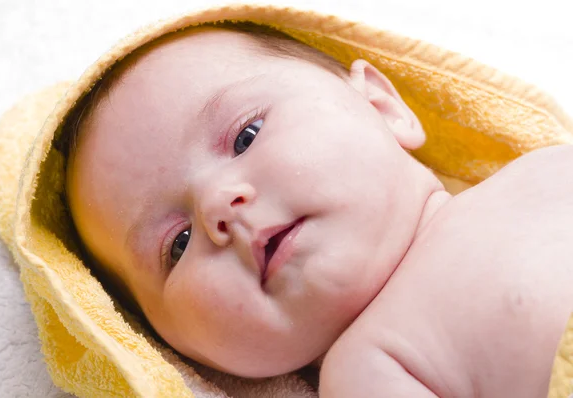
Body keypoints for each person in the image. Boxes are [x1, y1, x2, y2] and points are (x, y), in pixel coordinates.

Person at [61, 22, 573, 397]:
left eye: (247, 136)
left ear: (381, 107)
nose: (218, 206)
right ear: (174, 348)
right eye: (177, 243)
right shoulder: (368, 369)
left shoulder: (544, 167)